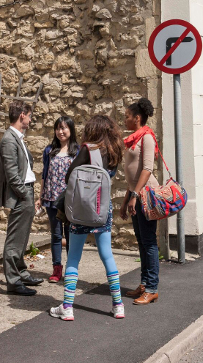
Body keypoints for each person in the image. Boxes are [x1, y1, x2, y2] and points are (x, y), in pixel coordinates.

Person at [49, 115, 125, 321]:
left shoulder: (88, 150)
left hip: (81, 210)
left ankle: (67, 306)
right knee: (107, 255)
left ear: (93, 130)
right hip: (102, 210)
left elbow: (69, 177)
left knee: (74, 257)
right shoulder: (114, 151)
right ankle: (118, 305)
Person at [0, 100, 44, 296]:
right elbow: (12, 174)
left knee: (22, 238)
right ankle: (14, 282)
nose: (31, 119)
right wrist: (25, 195)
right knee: (14, 240)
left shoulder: (18, 137)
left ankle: (22, 273)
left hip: (26, 191)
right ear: (22, 115)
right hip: (20, 194)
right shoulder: (9, 139)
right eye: (30, 115)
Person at [121, 98, 161, 305]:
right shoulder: (135, 138)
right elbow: (133, 175)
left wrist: (135, 195)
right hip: (136, 195)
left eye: (127, 116)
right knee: (142, 242)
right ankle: (145, 284)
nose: (125, 120)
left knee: (149, 242)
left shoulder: (147, 137)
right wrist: (126, 199)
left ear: (137, 118)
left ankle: (152, 288)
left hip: (146, 196)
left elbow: (147, 169)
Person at [39, 116, 78, 283]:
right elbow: (44, 174)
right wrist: (40, 196)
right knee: (55, 235)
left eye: (64, 128)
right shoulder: (49, 151)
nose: (61, 131)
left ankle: (71, 269)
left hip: (69, 199)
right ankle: (56, 269)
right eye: (58, 128)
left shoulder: (77, 151)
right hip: (51, 197)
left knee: (70, 234)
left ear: (70, 130)